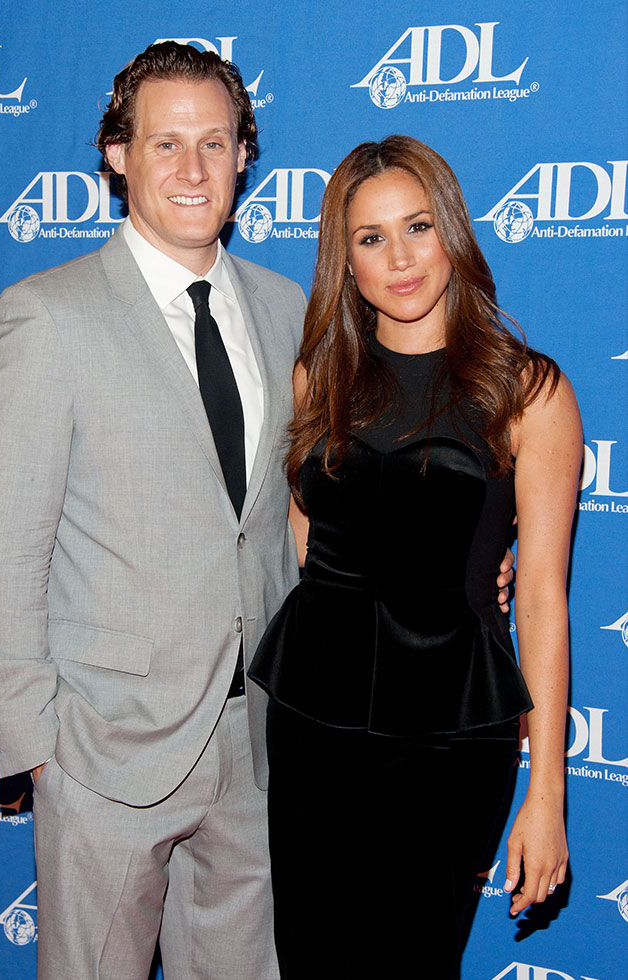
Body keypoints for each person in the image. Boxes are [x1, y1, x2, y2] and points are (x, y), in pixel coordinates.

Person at [0, 46, 514, 979]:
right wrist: (37, 752)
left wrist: (459, 560)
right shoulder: (46, 316)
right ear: (116, 155)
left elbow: (320, 506)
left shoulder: (288, 307)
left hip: (267, 743)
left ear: (246, 155)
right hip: (105, 754)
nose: (192, 169)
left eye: (214, 141)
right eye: (165, 143)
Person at [248, 135, 582, 979]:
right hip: (312, 718)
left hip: (450, 731)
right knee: (310, 959)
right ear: (345, 261)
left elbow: (541, 596)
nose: (399, 258)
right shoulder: (315, 381)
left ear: (453, 235)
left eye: (418, 227)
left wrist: (547, 794)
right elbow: (301, 538)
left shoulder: (528, 391)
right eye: (370, 237)